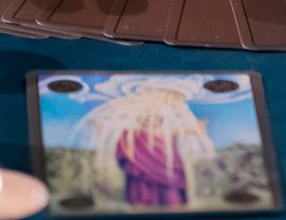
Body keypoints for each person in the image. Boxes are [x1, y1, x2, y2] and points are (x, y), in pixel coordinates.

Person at [78, 82, 215, 207]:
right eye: (147, 116)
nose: (150, 118)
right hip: (143, 176)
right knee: (142, 197)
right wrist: (100, 126)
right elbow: (111, 131)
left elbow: (189, 130)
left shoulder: (168, 132)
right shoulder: (132, 134)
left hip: (170, 172)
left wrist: (197, 127)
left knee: (172, 200)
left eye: (154, 117)